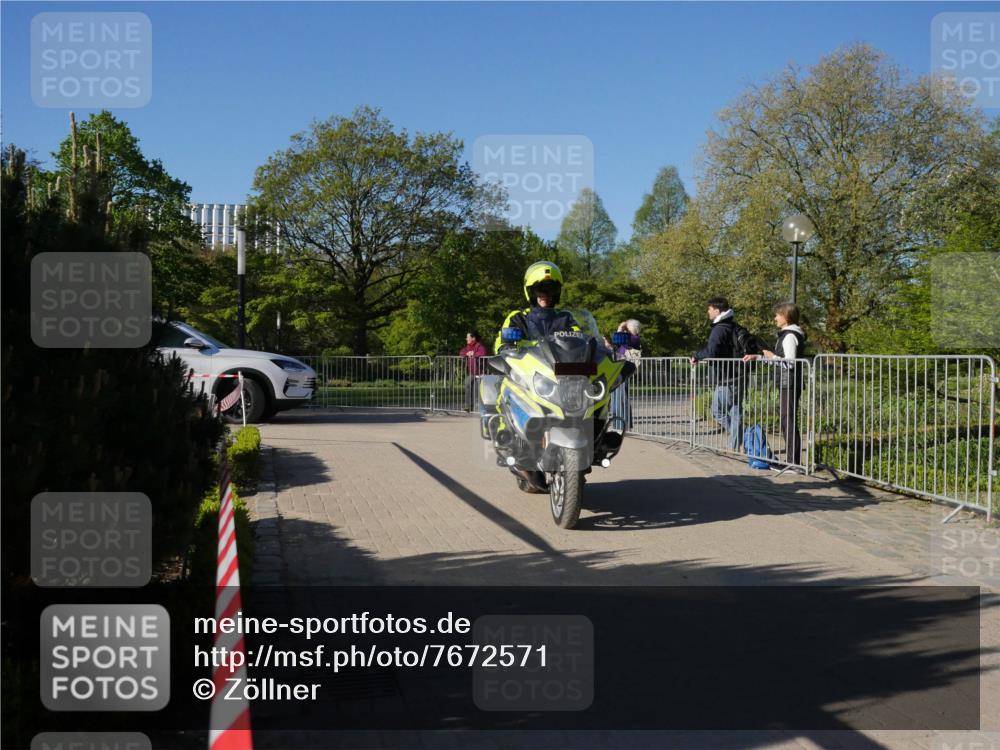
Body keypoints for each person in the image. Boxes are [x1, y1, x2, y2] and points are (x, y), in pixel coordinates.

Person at [743, 302, 807, 466]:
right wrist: (758, 357)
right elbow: (780, 361)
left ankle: (794, 462)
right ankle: (792, 461)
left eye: (777, 315)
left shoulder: (790, 336)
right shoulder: (786, 335)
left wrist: (771, 356)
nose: (775, 318)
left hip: (790, 383)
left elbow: (789, 363)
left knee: (788, 420)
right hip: (787, 382)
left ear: (786, 316)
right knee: (787, 419)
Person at [690, 297, 744, 451]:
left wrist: (696, 355)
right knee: (735, 410)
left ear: (717, 310)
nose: (708, 311)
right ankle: (734, 445)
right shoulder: (732, 326)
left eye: (709, 308)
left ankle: (742, 435)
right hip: (739, 373)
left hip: (727, 376)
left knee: (717, 410)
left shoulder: (719, 329)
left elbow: (712, 352)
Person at [494, 261, 580, 353]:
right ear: (531, 292)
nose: (545, 295)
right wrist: (507, 348)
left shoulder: (565, 319)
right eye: (540, 290)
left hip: (559, 366)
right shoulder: (519, 319)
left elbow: (581, 341)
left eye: (550, 290)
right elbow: (503, 344)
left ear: (556, 293)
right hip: (525, 366)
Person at [609, 320, 641, 431]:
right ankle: (617, 425)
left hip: (625, 369)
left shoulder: (634, 338)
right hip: (618, 369)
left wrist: (621, 328)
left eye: (628, 328)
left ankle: (624, 425)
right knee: (615, 397)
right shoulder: (626, 337)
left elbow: (618, 339)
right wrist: (621, 328)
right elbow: (616, 341)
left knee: (622, 397)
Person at [458, 331, 488, 412]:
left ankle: (480, 408)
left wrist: (473, 353)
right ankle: (468, 406)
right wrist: (467, 353)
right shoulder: (468, 347)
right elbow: (461, 353)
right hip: (472, 373)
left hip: (481, 373)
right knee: (467, 383)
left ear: (473, 338)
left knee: (478, 389)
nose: (466, 339)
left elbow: (483, 353)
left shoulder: (479, 346)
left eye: (468, 337)